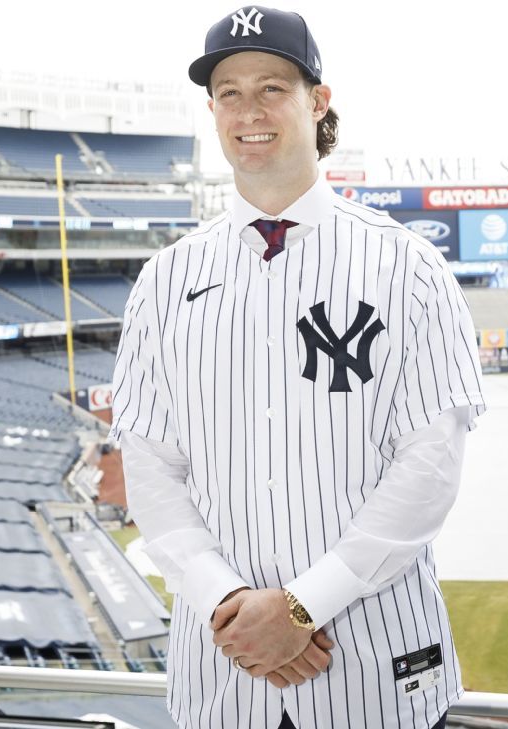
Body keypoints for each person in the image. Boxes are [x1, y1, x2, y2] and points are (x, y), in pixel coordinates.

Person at [109, 6, 486, 729]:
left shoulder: (407, 265)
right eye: (229, 92)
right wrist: (230, 603)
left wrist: (303, 605)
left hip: (376, 672)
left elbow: (429, 466)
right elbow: (152, 469)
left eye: (272, 87)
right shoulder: (164, 280)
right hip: (225, 674)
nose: (249, 111)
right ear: (214, 111)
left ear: (318, 101)